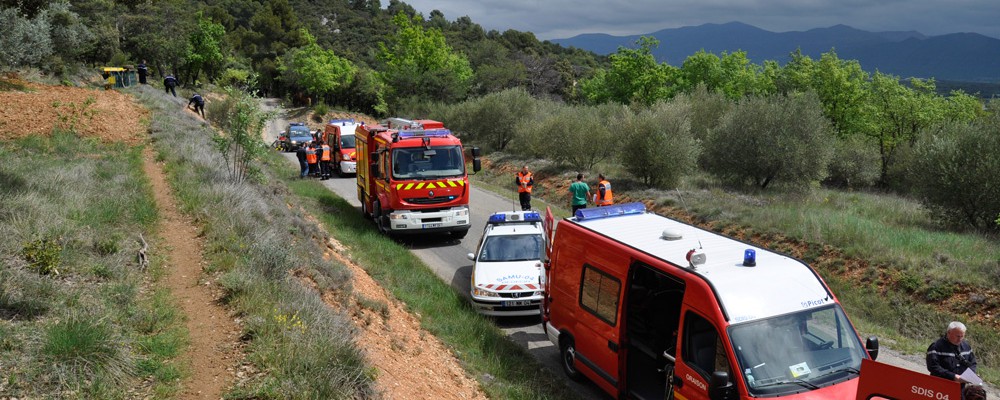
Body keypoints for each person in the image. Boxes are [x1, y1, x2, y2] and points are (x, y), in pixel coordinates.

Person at [927, 321, 986, 400]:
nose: (960, 339)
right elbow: (933, 367)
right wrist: (954, 377)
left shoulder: (966, 346)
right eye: (958, 336)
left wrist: (971, 375)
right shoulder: (936, 346)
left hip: (960, 388)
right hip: (940, 387)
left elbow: (973, 363)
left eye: (962, 336)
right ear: (948, 333)